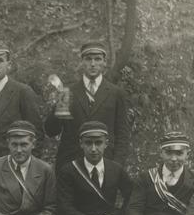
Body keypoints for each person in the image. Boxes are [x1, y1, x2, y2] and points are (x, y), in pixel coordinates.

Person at [44, 40, 131, 169]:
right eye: (88, 59)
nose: (93, 64)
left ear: (104, 62)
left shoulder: (116, 93)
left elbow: (122, 134)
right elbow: (51, 130)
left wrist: (116, 166)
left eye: (97, 59)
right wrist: (59, 105)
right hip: (71, 167)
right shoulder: (68, 92)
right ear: (82, 62)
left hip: (105, 165)